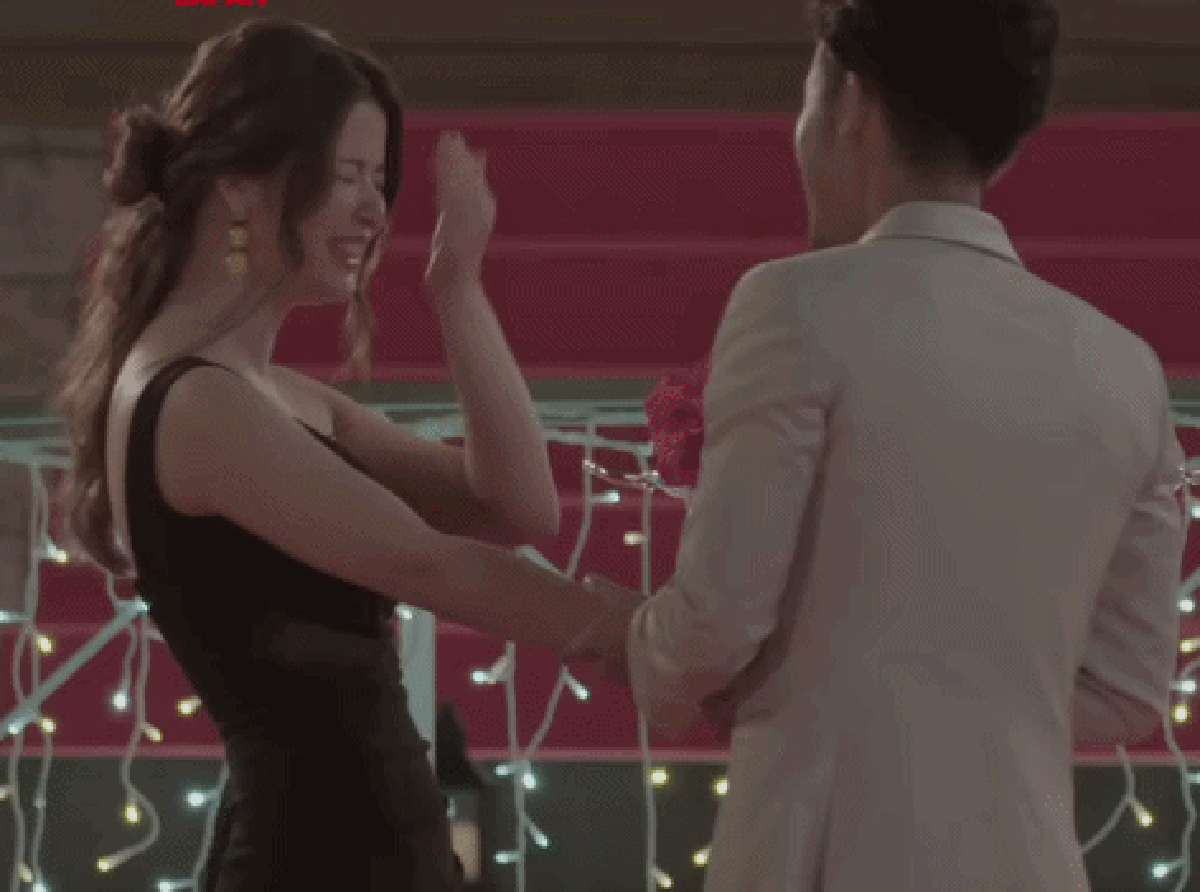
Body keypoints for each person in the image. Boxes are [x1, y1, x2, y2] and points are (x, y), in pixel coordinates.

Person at [568, 0, 1191, 889]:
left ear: (852, 102)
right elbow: (1129, 688)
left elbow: (715, 623)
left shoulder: (796, 305)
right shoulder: (1124, 367)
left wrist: (639, 646)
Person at [50, 16, 634, 891]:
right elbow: (429, 563)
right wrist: (640, 636)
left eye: (379, 179)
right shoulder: (196, 403)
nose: (374, 208)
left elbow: (517, 506)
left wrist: (458, 288)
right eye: (349, 175)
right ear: (242, 185)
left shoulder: (273, 394)